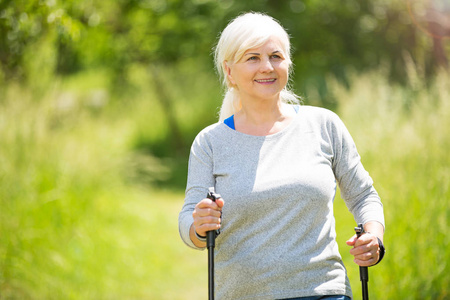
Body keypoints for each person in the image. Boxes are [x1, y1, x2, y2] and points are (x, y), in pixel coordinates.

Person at [178, 12, 385, 300]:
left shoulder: (324, 125)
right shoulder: (210, 143)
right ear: (229, 72)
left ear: (288, 63)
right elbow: (189, 221)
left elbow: (364, 196)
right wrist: (198, 226)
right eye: (252, 58)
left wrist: (374, 238)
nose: (267, 67)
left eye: (276, 56)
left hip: (324, 292)